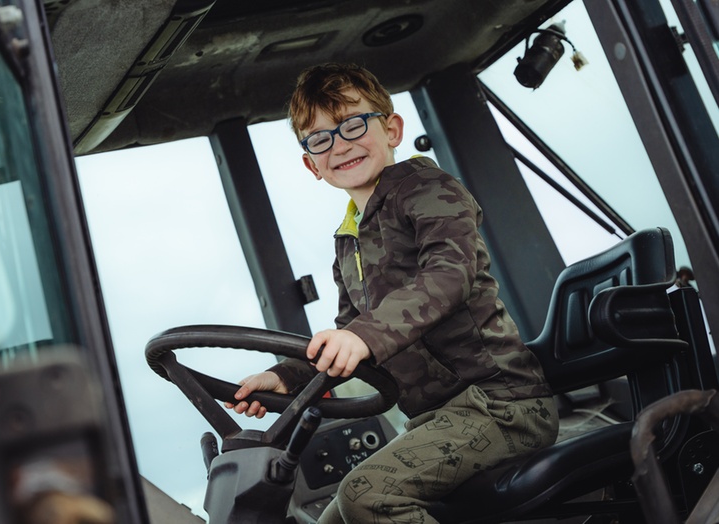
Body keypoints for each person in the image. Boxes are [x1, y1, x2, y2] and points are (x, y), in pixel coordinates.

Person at [225, 62, 558, 523]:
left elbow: (449, 273)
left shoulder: (428, 189)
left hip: (501, 406)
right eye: (320, 138)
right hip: (434, 421)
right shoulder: (348, 240)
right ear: (311, 164)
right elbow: (347, 336)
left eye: (353, 124)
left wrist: (364, 335)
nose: (339, 144)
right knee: (334, 518)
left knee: (367, 495)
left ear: (392, 129)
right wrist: (285, 379)